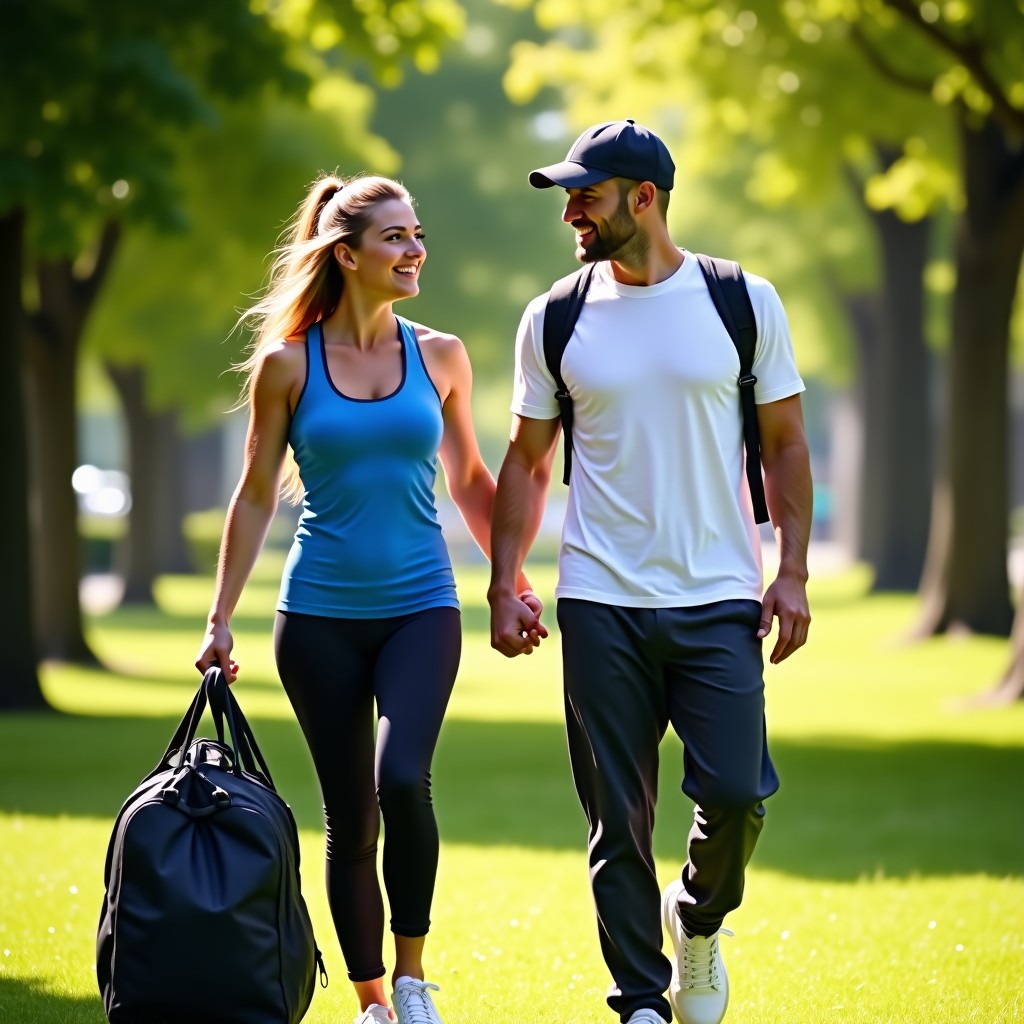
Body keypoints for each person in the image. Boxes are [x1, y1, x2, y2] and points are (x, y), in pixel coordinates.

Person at [195, 173, 542, 1024]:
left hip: (421, 607)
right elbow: (253, 496)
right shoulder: (286, 367)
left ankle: (415, 977)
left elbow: (467, 478)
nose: (416, 249)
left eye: (417, 234)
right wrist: (218, 620)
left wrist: (509, 578)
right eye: (395, 237)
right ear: (346, 254)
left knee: (404, 779)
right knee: (349, 820)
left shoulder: (442, 355)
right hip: (315, 620)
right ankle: (373, 999)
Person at [488, 120, 812, 1024]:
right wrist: (504, 579)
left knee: (739, 795)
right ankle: (638, 1001)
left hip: (718, 597)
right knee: (616, 822)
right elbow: (525, 460)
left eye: (583, 197)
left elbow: (785, 445)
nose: (571, 216)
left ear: (644, 197)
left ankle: (697, 920)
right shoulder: (554, 316)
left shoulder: (743, 302)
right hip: (600, 599)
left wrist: (792, 572)